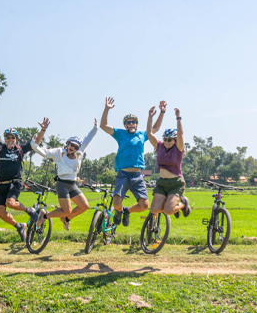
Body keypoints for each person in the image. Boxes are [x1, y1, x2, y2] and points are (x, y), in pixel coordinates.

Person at [0, 108, 50, 241]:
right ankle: (19, 226)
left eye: (13, 137)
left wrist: (43, 130)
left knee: (11, 203)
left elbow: (36, 143)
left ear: (16, 139)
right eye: (8, 137)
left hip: (15, 182)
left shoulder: (20, 149)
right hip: (2, 184)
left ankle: (29, 211)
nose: (10, 139)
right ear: (5, 138)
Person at [99, 97, 165, 228]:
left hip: (137, 176)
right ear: (125, 125)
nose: (131, 124)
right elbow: (103, 126)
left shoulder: (142, 135)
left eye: (134, 122)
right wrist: (106, 109)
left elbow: (155, 127)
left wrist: (162, 112)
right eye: (128, 122)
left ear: (137, 124)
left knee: (144, 205)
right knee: (116, 202)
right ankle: (119, 211)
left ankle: (126, 211)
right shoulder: (120, 133)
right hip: (123, 174)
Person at [32, 119, 98, 231]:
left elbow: (88, 138)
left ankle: (66, 220)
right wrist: (34, 144)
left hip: (72, 184)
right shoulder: (58, 152)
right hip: (62, 184)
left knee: (84, 206)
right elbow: (43, 152)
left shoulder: (79, 151)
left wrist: (95, 127)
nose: (73, 148)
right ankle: (44, 216)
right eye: (71, 145)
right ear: (67, 143)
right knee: (66, 210)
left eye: (76, 147)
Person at [146, 107, 191, 219]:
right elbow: (149, 133)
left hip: (175, 183)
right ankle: (171, 204)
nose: (166, 141)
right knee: (154, 210)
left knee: (167, 211)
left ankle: (183, 204)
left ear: (175, 140)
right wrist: (150, 117)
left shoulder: (178, 150)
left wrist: (178, 117)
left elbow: (180, 134)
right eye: (165, 139)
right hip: (162, 183)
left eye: (170, 139)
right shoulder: (160, 146)